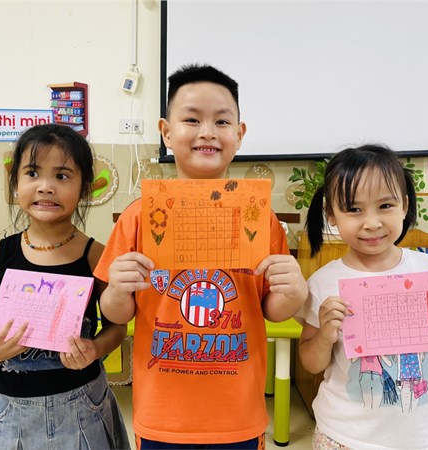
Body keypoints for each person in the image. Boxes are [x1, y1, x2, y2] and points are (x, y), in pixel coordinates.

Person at [93, 64, 309, 448]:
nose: (207, 131)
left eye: (222, 121)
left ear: (239, 134)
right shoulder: (139, 217)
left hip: (238, 415)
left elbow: (273, 310)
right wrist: (116, 291)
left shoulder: (259, 219)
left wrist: (294, 293)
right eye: (192, 119)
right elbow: (117, 313)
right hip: (163, 415)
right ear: (166, 132)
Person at [298, 144, 428, 450]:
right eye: (354, 209)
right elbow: (311, 363)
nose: (372, 222)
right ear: (331, 215)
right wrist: (325, 335)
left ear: (404, 206)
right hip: (342, 436)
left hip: (416, 438)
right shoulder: (324, 282)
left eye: (385, 205)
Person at [0, 124, 130, 450]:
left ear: (85, 189)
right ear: (15, 184)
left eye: (62, 176)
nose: (46, 187)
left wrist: (95, 349)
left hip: (81, 408)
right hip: (8, 412)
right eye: (32, 173)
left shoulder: (96, 256)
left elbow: (117, 328)